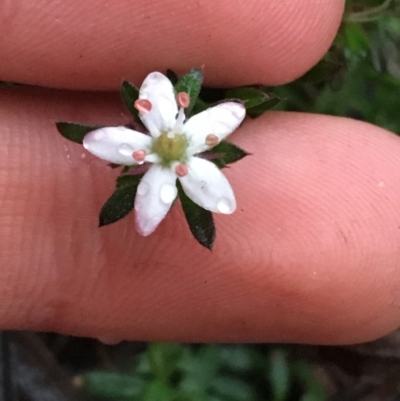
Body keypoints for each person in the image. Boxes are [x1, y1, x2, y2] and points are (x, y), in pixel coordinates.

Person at [0, 0, 399, 345]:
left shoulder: (191, 147)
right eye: (167, 141)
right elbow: (157, 90)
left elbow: (211, 157)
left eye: (172, 142)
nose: (169, 142)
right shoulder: (159, 125)